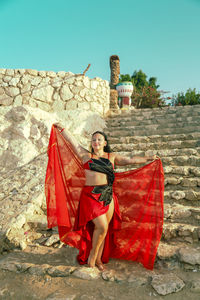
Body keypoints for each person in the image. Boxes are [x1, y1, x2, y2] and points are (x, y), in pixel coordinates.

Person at [45, 124, 164, 271]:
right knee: (101, 227)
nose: (96, 142)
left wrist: (149, 157)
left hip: (108, 195)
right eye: (94, 140)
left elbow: (130, 160)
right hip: (90, 195)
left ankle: (99, 260)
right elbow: (72, 141)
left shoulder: (111, 157)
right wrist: (62, 128)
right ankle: (92, 259)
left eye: (99, 140)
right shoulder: (85, 155)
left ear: (105, 143)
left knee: (104, 230)